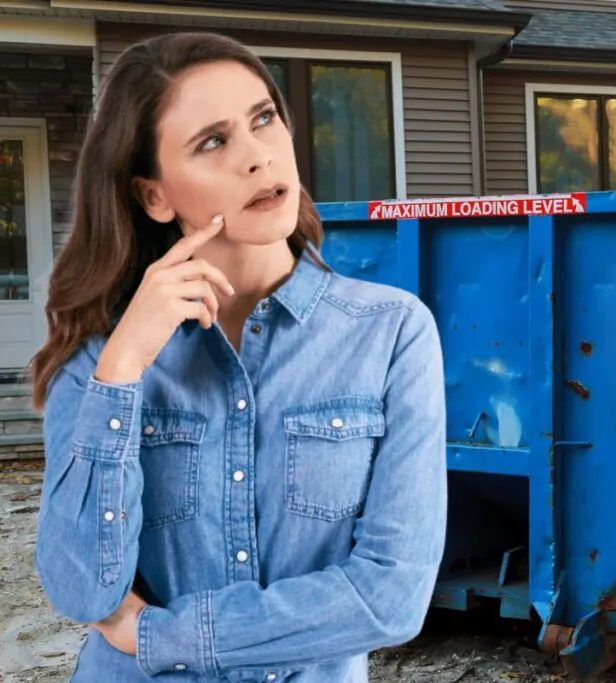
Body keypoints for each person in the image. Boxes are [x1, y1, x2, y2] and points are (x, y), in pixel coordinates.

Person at [30, 31, 448, 682]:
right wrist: (122, 368)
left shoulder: (391, 334)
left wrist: (158, 634)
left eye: (264, 119)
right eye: (213, 141)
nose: (257, 157)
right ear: (154, 195)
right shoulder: (99, 358)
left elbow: (390, 598)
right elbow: (83, 590)